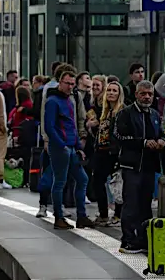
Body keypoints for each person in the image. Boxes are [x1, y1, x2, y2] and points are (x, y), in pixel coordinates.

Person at [114, 80, 165, 254]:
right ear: (136, 94)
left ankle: (143, 240)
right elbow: (119, 137)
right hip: (131, 166)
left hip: (149, 167)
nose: (147, 97)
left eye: (150, 94)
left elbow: (161, 134)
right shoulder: (126, 113)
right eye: (143, 93)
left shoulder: (154, 115)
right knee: (131, 204)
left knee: (145, 205)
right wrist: (143, 143)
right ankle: (127, 240)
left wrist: (161, 141)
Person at [44, 71, 94, 230]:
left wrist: (78, 146)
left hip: (69, 146)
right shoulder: (53, 101)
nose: (70, 87)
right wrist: (63, 145)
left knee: (81, 179)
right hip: (62, 147)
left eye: (72, 84)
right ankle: (59, 217)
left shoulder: (69, 100)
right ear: (60, 82)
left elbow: (72, 125)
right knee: (60, 182)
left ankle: (81, 216)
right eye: (67, 83)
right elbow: (49, 127)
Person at [93, 81, 125, 226]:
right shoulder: (104, 112)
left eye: (115, 91)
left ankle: (118, 214)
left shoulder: (122, 111)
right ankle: (103, 213)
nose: (111, 93)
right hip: (101, 151)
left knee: (117, 183)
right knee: (98, 182)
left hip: (114, 153)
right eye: (109, 90)